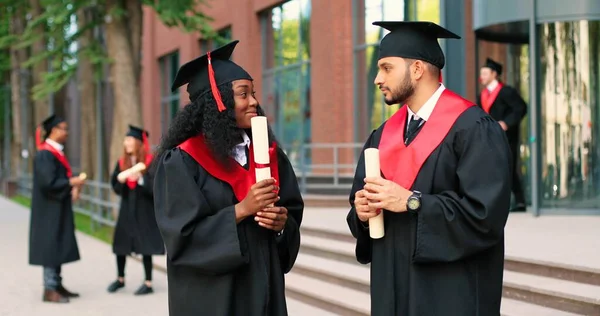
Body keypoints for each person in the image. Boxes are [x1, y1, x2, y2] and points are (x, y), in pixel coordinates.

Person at [346, 21, 512, 316]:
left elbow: (485, 216)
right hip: (392, 291)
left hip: (449, 294)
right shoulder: (382, 135)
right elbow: (362, 210)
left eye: (386, 68)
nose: (377, 79)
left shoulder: (473, 128)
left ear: (418, 69)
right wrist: (360, 213)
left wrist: (412, 202)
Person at [152, 40, 304, 316]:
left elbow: (292, 214)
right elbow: (180, 237)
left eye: (253, 93)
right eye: (243, 94)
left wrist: (282, 223)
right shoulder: (183, 161)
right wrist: (241, 210)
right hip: (212, 298)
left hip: (264, 290)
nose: (254, 102)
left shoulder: (270, 156)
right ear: (217, 102)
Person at [29, 114, 86, 303]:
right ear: (53, 130)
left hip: (56, 208)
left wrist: (72, 186)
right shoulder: (46, 153)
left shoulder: (55, 153)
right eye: (64, 128)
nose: (67, 132)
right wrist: (71, 182)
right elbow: (48, 183)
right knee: (50, 246)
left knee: (58, 245)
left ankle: (57, 284)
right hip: (48, 211)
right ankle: (49, 288)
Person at [106, 125, 165, 295]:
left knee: (145, 245)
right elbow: (115, 186)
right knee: (121, 244)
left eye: (130, 140)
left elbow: (155, 186)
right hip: (127, 209)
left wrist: (140, 179)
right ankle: (120, 279)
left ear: (139, 143)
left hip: (144, 210)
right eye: (126, 140)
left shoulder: (150, 162)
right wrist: (123, 180)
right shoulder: (121, 163)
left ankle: (148, 282)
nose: (126, 143)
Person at [479, 58, 528, 212]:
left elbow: (521, 108)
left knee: (508, 168)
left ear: (494, 74)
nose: (482, 77)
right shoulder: (483, 95)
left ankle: (519, 201)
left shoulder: (507, 92)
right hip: (489, 137)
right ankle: (498, 202)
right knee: (491, 168)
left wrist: (506, 123)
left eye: (485, 73)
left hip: (507, 138)